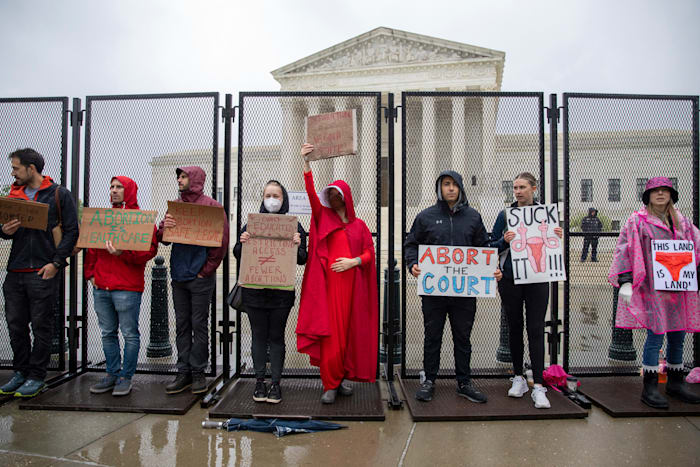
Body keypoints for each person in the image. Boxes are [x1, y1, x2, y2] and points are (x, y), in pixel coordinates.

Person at [405, 170, 500, 404]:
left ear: (460, 188)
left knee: (463, 337)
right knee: (432, 336)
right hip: (434, 291)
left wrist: (492, 270)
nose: (450, 189)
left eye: (454, 185)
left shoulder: (473, 217)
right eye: (446, 184)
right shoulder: (425, 217)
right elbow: (412, 244)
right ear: (440, 188)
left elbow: (483, 249)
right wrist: (413, 264)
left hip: (464, 292)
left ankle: (464, 382)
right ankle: (429, 380)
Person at [296, 143, 378, 404]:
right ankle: (329, 384)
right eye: (330, 195)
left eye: (337, 195)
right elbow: (310, 194)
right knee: (331, 338)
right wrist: (307, 164)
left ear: (346, 197)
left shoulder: (360, 226)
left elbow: (369, 253)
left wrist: (352, 262)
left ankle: (341, 379)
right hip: (329, 289)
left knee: (349, 337)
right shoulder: (324, 218)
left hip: (353, 288)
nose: (333, 199)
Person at [609, 176, 700, 408]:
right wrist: (626, 280)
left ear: (671, 195)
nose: (660, 194)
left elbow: (695, 248)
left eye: (665, 190)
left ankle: (675, 382)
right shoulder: (637, 221)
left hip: (678, 288)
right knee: (656, 335)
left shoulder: (683, 222)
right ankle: (649, 387)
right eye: (655, 191)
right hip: (652, 289)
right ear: (648, 195)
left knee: (678, 335)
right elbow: (624, 251)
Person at [0, 148, 79, 398]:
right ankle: (20, 372)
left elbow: (71, 232)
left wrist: (55, 263)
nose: (13, 173)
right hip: (15, 270)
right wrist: (5, 231)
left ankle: (37, 376)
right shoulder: (13, 194)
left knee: (41, 326)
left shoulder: (58, 194)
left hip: (43, 270)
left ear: (31, 168)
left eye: (16, 168)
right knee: (15, 326)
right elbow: (0, 229)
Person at [490, 172, 562, 409]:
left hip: (538, 278)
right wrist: (504, 241)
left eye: (522, 187)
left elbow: (551, 245)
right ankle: (518, 377)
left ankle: (539, 385)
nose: (518, 191)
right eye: (515, 187)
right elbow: (490, 245)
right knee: (514, 328)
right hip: (511, 279)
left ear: (533, 188)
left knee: (535, 329)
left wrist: (557, 235)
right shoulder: (505, 215)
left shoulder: (546, 215)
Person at [233, 180, 308, 404]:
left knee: (276, 337)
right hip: (255, 293)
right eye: (268, 195)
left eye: (276, 195)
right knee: (258, 336)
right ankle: (259, 381)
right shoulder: (252, 225)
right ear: (263, 198)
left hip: (280, 294)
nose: (272, 200)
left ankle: (275, 383)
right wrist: (242, 242)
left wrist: (298, 243)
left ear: (283, 199)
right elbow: (238, 253)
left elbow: (303, 259)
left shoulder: (294, 226)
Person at [157, 166, 229, 395]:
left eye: (184, 176)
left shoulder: (212, 207)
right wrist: (163, 229)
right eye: (178, 176)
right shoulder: (176, 207)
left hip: (199, 278)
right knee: (182, 324)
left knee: (199, 324)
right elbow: (163, 239)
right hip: (179, 275)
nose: (179, 179)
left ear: (195, 179)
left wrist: (205, 271)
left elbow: (221, 242)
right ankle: (183, 371)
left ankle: (198, 372)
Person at [84, 176, 158, 396]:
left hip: (127, 287)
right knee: (107, 333)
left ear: (129, 191)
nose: (114, 190)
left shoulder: (141, 220)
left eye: (119, 187)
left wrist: (122, 253)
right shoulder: (102, 218)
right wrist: (90, 274)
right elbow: (91, 248)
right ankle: (111, 374)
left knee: (129, 333)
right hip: (102, 286)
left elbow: (148, 252)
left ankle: (126, 377)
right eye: (112, 187)